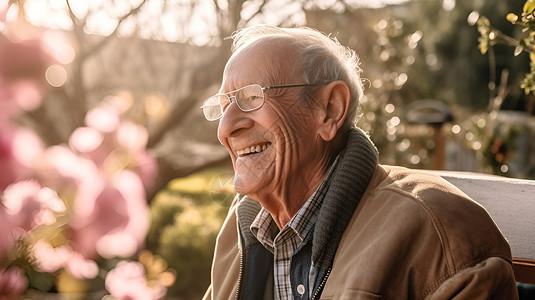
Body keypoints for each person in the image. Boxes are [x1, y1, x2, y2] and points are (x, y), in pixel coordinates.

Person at [200, 24, 518, 300]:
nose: (225, 129)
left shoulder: (438, 234)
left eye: (251, 98)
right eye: (224, 104)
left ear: (330, 109)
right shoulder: (241, 229)